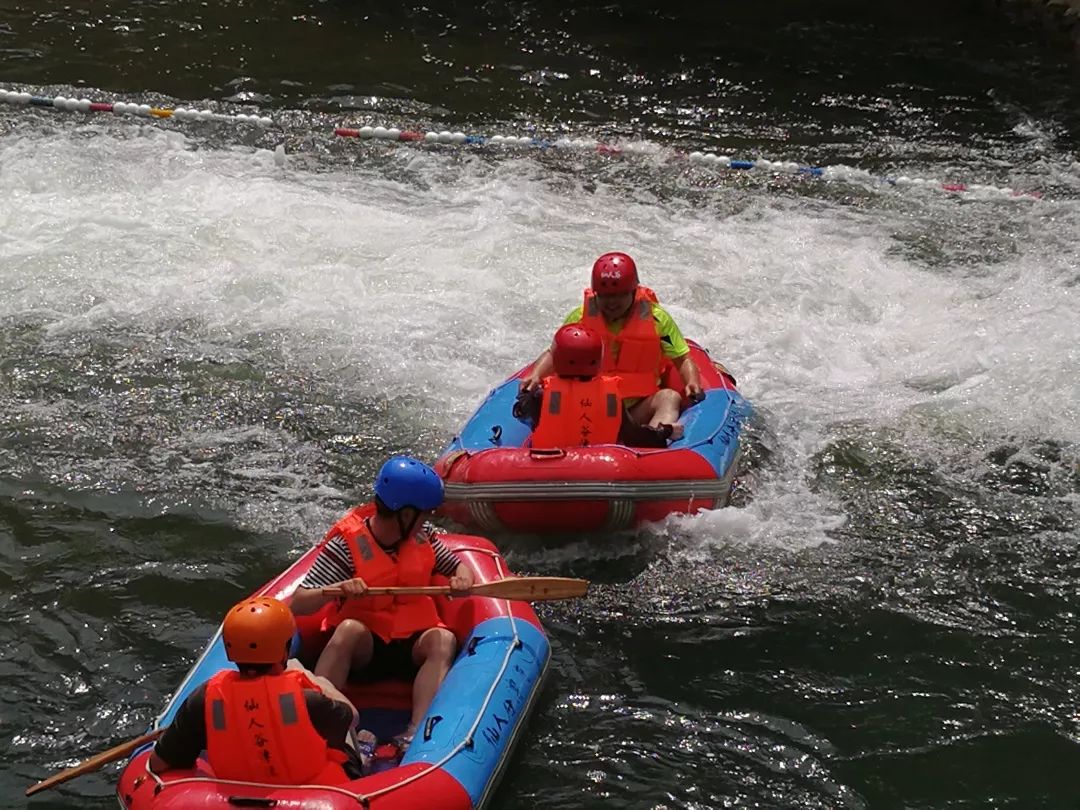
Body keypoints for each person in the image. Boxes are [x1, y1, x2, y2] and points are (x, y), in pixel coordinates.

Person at [289, 455, 474, 753]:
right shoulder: (346, 547)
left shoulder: (424, 538)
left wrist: (462, 579)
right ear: (405, 515)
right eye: (424, 514)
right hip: (367, 650)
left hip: (412, 648)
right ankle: (325, 724)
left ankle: (415, 734)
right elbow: (298, 603)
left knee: (443, 639)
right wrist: (337, 588)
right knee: (348, 629)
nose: (427, 521)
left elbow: (457, 567)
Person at [149, 597, 368, 784]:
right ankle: (366, 754)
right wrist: (317, 681)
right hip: (314, 795)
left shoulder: (204, 698)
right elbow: (352, 718)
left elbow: (158, 764)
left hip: (237, 791)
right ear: (284, 651)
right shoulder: (310, 699)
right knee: (342, 730)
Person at [521, 252, 703, 435]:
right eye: (605, 296)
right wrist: (536, 375)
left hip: (637, 410)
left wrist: (692, 382)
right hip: (590, 406)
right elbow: (555, 353)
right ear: (596, 293)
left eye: (619, 295)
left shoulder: (657, 319)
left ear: (633, 292)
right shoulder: (580, 317)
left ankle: (651, 442)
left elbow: (682, 358)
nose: (612, 302)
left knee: (670, 398)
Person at [513, 323, 680, 447]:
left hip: (549, 465)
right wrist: (664, 432)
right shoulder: (610, 397)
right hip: (601, 465)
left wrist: (525, 394)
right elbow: (634, 436)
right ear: (598, 362)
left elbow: (522, 415)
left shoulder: (539, 396)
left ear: (557, 360)